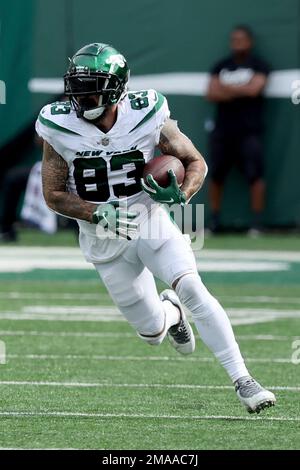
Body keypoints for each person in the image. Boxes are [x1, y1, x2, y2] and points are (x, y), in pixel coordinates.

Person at [37, 42, 275, 413]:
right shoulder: (58, 123)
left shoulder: (146, 112)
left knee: (193, 286)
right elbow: (52, 194)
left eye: (92, 85)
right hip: (104, 240)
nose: (81, 96)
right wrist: (96, 212)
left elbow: (194, 161)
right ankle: (172, 314)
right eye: (77, 85)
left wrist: (181, 192)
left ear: (116, 88)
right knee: (151, 332)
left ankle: (244, 380)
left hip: (149, 219)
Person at [206, 25, 270, 234]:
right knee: (215, 174)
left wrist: (226, 89)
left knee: (255, 175)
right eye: (234, 39)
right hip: (223, 131)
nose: (237, 43)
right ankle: (214, 221)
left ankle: (257, 223)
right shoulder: (221, 66)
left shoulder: (259, 65)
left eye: (241, 39)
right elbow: (211, 93)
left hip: (249, 131)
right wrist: (240, 90)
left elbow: (254, 90)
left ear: (250, 41)